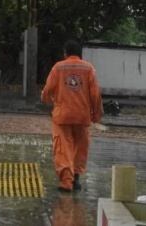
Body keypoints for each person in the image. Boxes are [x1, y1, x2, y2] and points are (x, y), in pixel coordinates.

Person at [40, 39, 103, 192]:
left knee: (63, 148)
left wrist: (46, 100)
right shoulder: (89, 69)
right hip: (82, 116)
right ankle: (76, 178)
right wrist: (96, 115)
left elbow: (48, 90)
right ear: (80, 54)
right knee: (80, 148)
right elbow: (95, 95)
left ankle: (66, 182)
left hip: (62, 117)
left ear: (65, 53)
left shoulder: (58, 68)